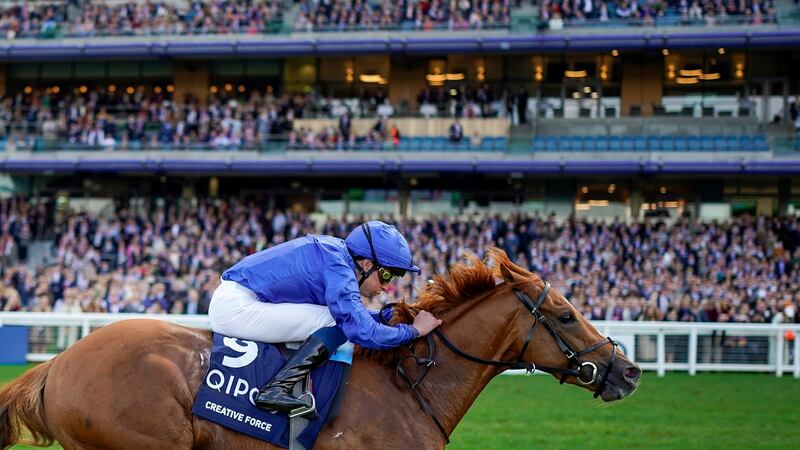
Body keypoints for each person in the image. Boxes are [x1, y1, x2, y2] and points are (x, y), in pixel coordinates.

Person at [208, 220, 442, 413]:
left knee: (332, 318)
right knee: (333, 322)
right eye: (386, 277)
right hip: (236, 307)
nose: (385, 287)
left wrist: (383, 316)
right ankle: (275, 391)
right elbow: (359, 330)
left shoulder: (340, 256)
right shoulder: (339, 268)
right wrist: (414, 331)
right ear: (367, 264)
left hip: (239, 298)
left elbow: (354, 315)